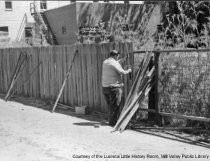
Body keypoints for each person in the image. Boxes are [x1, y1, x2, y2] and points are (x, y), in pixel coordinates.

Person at [102, 50, 132, 126]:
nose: (118, 57)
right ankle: (113, 123)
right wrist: (129, 70)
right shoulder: (114, 63)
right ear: (116, 56)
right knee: (115, 106)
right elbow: (122, 72)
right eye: (117, 56)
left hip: (105, 88)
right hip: (113, 88)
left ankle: (111, 120)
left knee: (110, 106)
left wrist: (123, 59)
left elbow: (116, 63)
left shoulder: (105, 62)